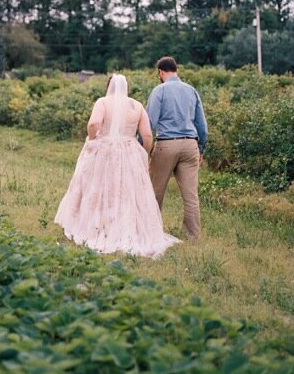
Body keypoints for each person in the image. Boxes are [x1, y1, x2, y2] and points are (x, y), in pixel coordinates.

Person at [54, 73, 180, 257]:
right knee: (128, 190)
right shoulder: (136, 105)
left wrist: (92, 139)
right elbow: (146, 135)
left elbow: (94, 123)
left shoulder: (103, 102)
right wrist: (142, 153)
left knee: (99, 187)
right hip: (130, 150)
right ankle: (128, 228)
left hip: (104, 149)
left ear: (108, 86)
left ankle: (98, 226)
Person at [146, 56, 208, 240]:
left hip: (166, 144)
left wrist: (142, 146)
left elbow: (150, 122)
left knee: (155, 191)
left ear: (160, 72)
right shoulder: (191, 90)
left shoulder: (159, 91)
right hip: (190, 144)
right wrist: (201, 148)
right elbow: (201, 124)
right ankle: (193, 236)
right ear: (176, 70)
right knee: (191, 196)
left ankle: (151, 232)